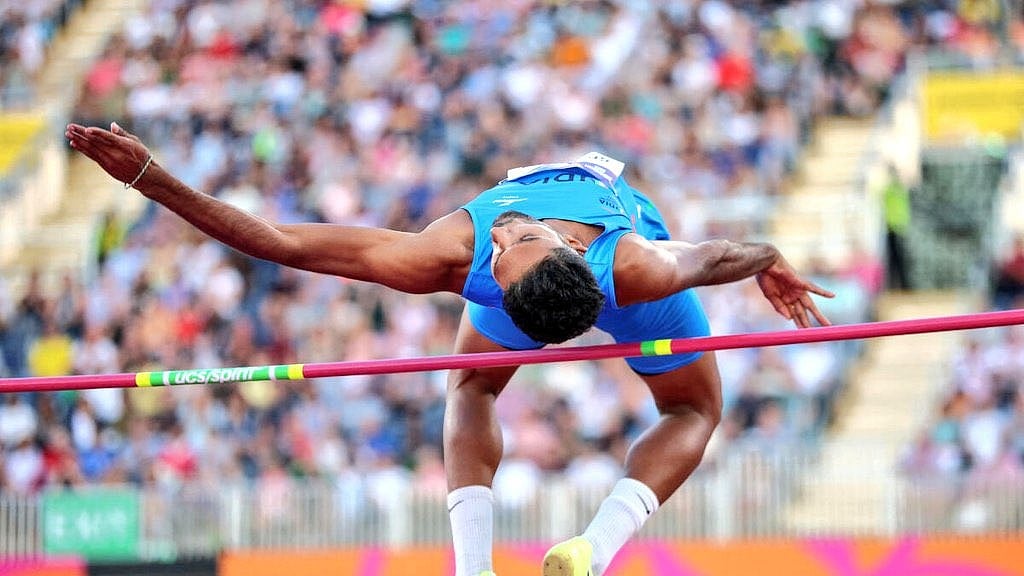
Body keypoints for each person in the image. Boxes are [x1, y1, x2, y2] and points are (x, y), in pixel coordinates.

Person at [66, 122, 833, 576]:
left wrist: (764, 260)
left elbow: (730, 251)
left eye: (512, 238)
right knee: (692, 410)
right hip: (612, 299)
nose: (500, 232)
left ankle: (541, 557)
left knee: (475, 390)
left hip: (626, 297)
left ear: (570, 249)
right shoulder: (522, 264)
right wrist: (149, 178)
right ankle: (572, 555)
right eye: (504, 244)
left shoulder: (601, 265)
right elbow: (729, 253)